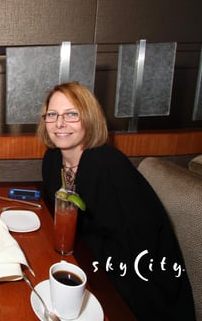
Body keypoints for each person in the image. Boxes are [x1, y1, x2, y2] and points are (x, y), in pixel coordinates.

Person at [37, 82, 195, 320]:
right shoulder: (52, 162)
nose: (60, 123)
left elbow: (138, 244)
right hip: (86, 262)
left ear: (89, 119)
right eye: (53, 114)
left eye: (72, 114)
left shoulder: (106, 164)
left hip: (138, 286)